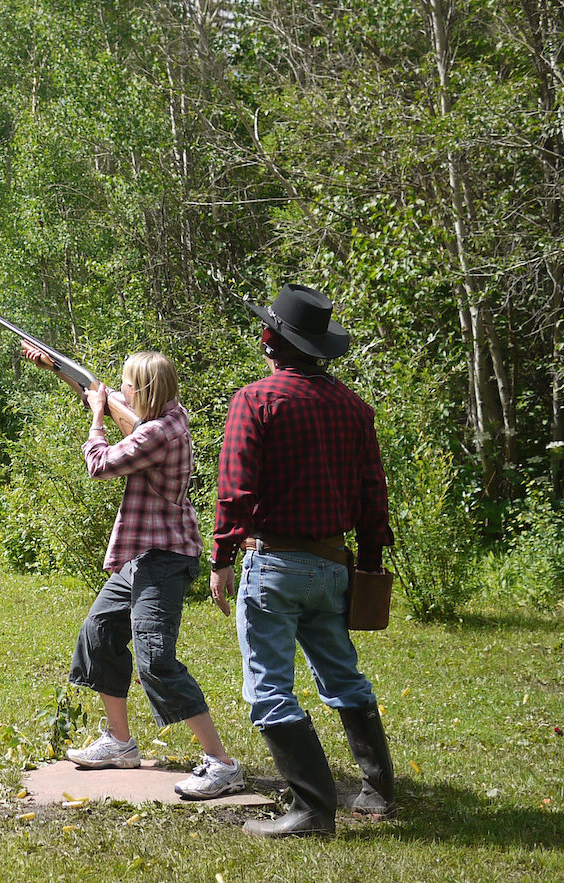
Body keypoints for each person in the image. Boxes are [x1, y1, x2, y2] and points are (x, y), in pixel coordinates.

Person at [208, 283, 396, 838]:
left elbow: (235, 491)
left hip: (274, 566)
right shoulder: (354, 409)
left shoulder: (255, 400)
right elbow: (373, 497)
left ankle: (313, 812)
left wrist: (220, 556)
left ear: (270, 339)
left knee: (268, 688)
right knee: (343, 677)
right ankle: (377, 791)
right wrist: (365, 563)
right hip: (334, 567)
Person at [22, 343, 246, 801]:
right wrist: (68, 378)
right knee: (99, 630)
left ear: (142, 389)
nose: (119, 387)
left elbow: (100, 464)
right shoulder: (167, 416)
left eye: (125, 383)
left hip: (164, 557)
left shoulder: (159, 432)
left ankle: (222, 764)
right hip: (143, 555)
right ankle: (121, 743)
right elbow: (127, 416)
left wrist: (97, 416)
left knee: (156, 659)